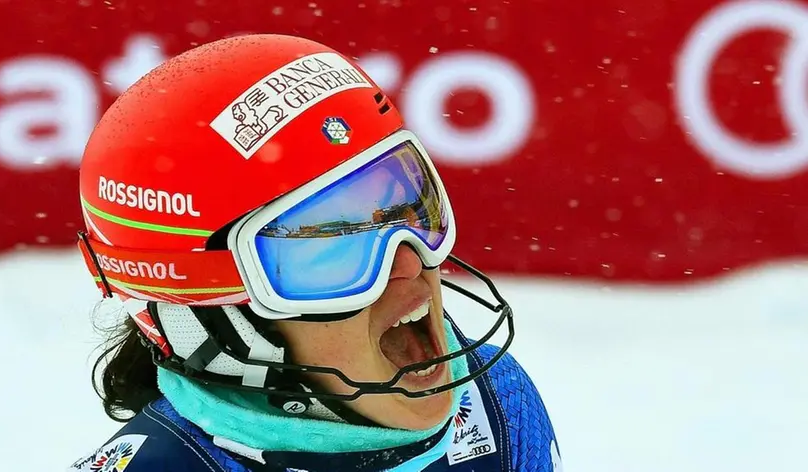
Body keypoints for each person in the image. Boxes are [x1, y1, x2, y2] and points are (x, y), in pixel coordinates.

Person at [67, 33, 562, 472]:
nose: (408, 263)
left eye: (406, 208)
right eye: (331, 247)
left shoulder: (497, 407)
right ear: (220, 326)